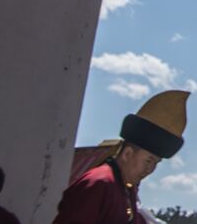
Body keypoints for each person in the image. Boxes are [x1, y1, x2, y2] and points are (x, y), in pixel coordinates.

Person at [53, 91, 188, 224]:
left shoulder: (127, 189)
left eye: (155, 163)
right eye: (148, 161)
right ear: (127, 154)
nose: (150, 169)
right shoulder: (98, 183)